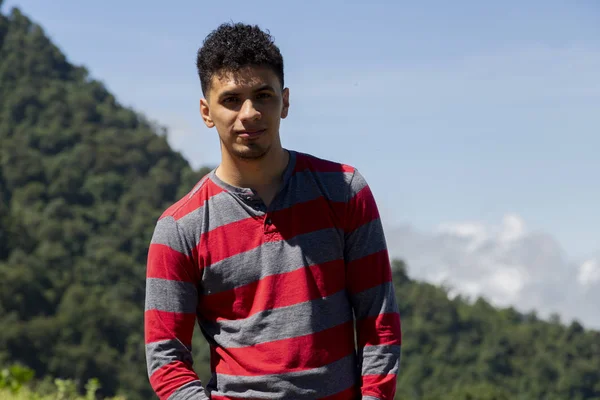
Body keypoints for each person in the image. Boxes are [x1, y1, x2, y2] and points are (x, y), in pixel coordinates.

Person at [144, 22, 402, 400]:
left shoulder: (343, 191)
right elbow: (166, 359)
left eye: (262, 95)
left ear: (285, 101)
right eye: (231, 99)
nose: (249, 113)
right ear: (206, 111)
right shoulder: (180, 228)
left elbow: (378, 322)